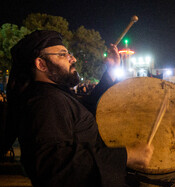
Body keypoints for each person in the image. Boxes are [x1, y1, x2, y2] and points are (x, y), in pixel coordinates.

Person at [4, 30, 154, 186]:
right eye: (63, 55)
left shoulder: (54, 94)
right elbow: (50, 164)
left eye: (69, 54)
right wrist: (126, 155)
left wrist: (109, 71)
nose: (73, 59)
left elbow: (84, 111)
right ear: (41, 64)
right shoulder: (45, 101)